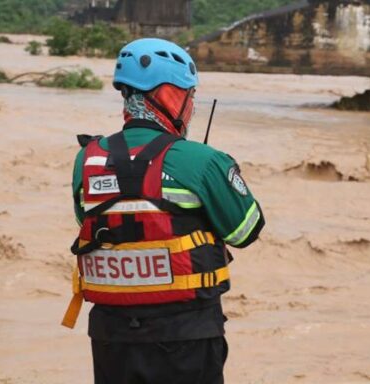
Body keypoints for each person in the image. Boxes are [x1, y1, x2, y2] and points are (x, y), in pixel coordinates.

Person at [61, 38, 265, 384]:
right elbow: (246, 231)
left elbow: (89, 222)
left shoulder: (87, 159)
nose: (192, 107)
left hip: (110, 338)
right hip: (186, 337)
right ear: (171, 94)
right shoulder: (202, 161)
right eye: (190, 96)